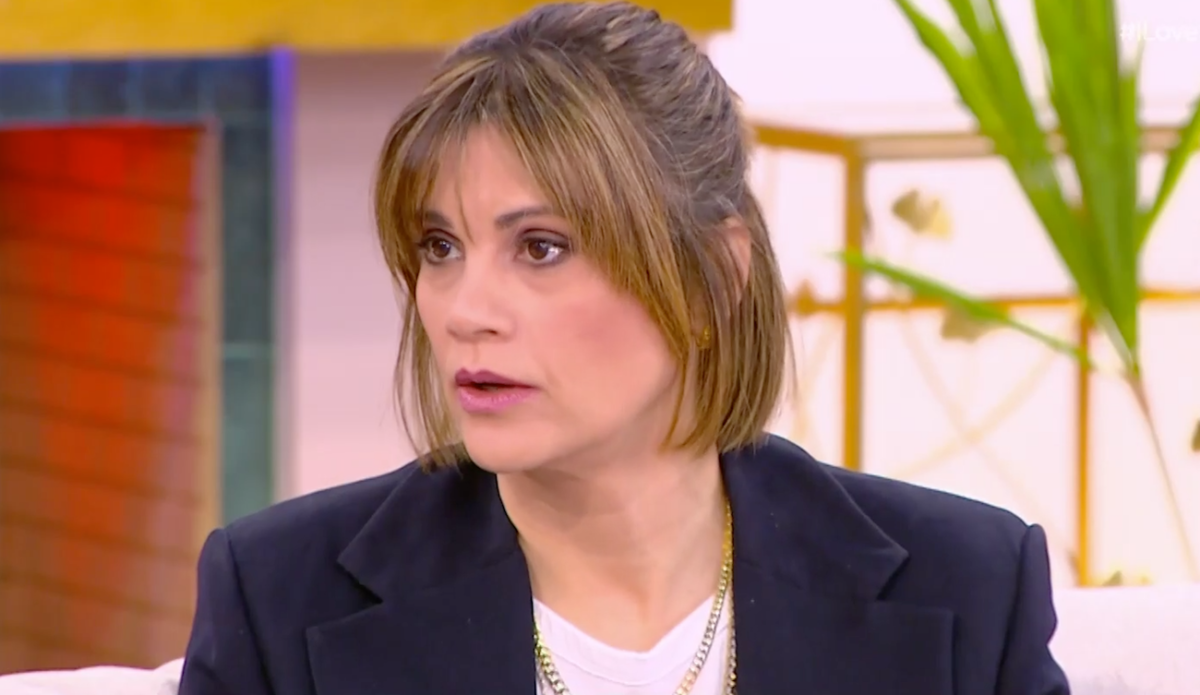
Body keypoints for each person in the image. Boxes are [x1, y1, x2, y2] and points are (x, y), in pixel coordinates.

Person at [178, 3, 1070, 694]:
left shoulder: (968, 591)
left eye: (540, 247)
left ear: (714, 275)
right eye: (440, 246)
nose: (464, 311)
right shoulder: (278, 602)